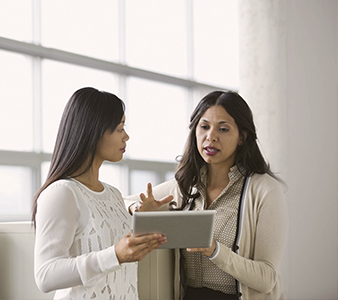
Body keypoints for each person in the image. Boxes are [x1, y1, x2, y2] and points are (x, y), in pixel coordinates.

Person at [126, 91, 289, 300]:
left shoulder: (265, 191)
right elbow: (120, 200)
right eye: (204, 127)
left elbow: (267, 279)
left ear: (242, 137)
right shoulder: (184, 187)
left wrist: (214, 251)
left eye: (223, 129)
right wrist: (137, 209)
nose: (210, 137)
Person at [32, 87, 172, 300]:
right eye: (119, 128)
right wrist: (114, 255)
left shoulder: (114, 194)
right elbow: (45, 276)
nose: (126, 136)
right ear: (94, 131)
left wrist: (140, 215)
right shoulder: (61, 193)